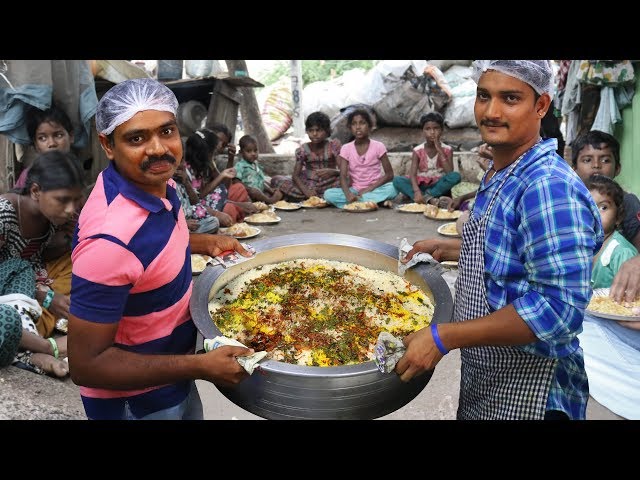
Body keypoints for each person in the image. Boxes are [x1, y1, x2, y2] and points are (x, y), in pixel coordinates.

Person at [397, 60, 603, 420]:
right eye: (483, 96)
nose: (491, 112)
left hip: (532, 392)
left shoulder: (548, 187)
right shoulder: (504, 168)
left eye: (510, 98)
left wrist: (445, 337)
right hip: (490, 377)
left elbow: (558, 310)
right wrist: (457, 249)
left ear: (541, 105)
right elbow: (518, 250)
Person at [68, 78, 255, 420]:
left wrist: (202, 241)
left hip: (173, 374)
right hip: (136, 403)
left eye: (166, 131)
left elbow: (151, 247)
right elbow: (86, 364)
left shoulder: (157, 181)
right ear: (107, 145)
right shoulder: (108, 244)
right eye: (136, 138)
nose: (157, 148)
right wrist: (199, 365)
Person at [1, 151, 86, 377]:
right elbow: (11, 270)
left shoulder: (50, 220)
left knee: (79, 261)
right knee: (8, 316)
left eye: (74, 200)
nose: (70, 209)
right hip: (10, 290)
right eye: (62, 200)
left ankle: (28, 343)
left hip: (26, 290)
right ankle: (37, 351)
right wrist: (45, 297)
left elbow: (38, 257)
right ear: (36, 191)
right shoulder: (5, 215)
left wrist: (70, 237)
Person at [571, 130, 640, 251]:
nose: (596, 165)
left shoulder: (628, 202)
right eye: (587, 160)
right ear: (574, 169)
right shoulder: (567, 201)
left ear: (617, 168)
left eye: (605, 160)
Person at [324, 109, 397, 209]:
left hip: (375, 188)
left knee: (393, 189)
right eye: (354, 124)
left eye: (362, 123)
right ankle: (373, 202)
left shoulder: (378, 146)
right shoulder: (346, 148)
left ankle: (357, 203)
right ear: (350, 128)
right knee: (328, 194)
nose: (358, 127)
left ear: (370, 126)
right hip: (355, 190)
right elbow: (343, 176)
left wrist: (369, 189)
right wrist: (348, 194)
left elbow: (389, 174)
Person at [392, 112, 460, 208]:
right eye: (428, 129)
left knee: (455, 176)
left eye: (436, 128)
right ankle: (428, 198)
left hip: (439, 185)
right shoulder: (417, 150)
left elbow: (449, 172)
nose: (432, 132)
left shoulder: (447, 149)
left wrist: (440, 150)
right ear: (423, 131)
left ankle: (425, 197)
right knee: (397, 180)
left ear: (442, 130)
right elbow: (413, 174)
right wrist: (416, 190)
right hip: (422, 184)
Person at [270, 111, 342, 201]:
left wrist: (334, 171)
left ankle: (301, 197)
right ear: (307, 131)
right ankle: (318, 197)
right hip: (308, 184)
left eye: (318, 130)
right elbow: (295, 176)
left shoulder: (333, 146)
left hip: (328, 183)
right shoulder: (303, 149)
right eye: (311, 130)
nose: (314, 134)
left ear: (327, 131)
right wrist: (306, 191)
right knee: (276, 179)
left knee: (346, 180)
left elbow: (343, 170)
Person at [586, 175, 637, 289]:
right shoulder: (584, 248)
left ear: (618, 217)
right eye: (587, 207)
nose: (594, 214)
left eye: (603, 207)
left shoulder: (622, 253)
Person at [173, 159, 219, 234]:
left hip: (190, 222)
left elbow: (196, 202)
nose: (178, 165)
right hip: (177, 226)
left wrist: (186, 182)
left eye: (181, 161)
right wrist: (184, 223)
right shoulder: (166, 184)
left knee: (213, 222)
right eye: (173, 162)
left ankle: (191, 237)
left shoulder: (182, 180)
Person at [233, 134, 283, 204]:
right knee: (255, 192)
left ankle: (268, 198)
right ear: (241, 153)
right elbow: (236, 182)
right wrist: (249, 189)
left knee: (277, 191)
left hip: (259, 192)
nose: (253, 154)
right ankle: (270, 201)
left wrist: (270, 189)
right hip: (248, 193)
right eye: (249, 151)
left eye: (255, 150)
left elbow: (261, 181)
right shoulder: (240, 166)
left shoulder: (255, 164)